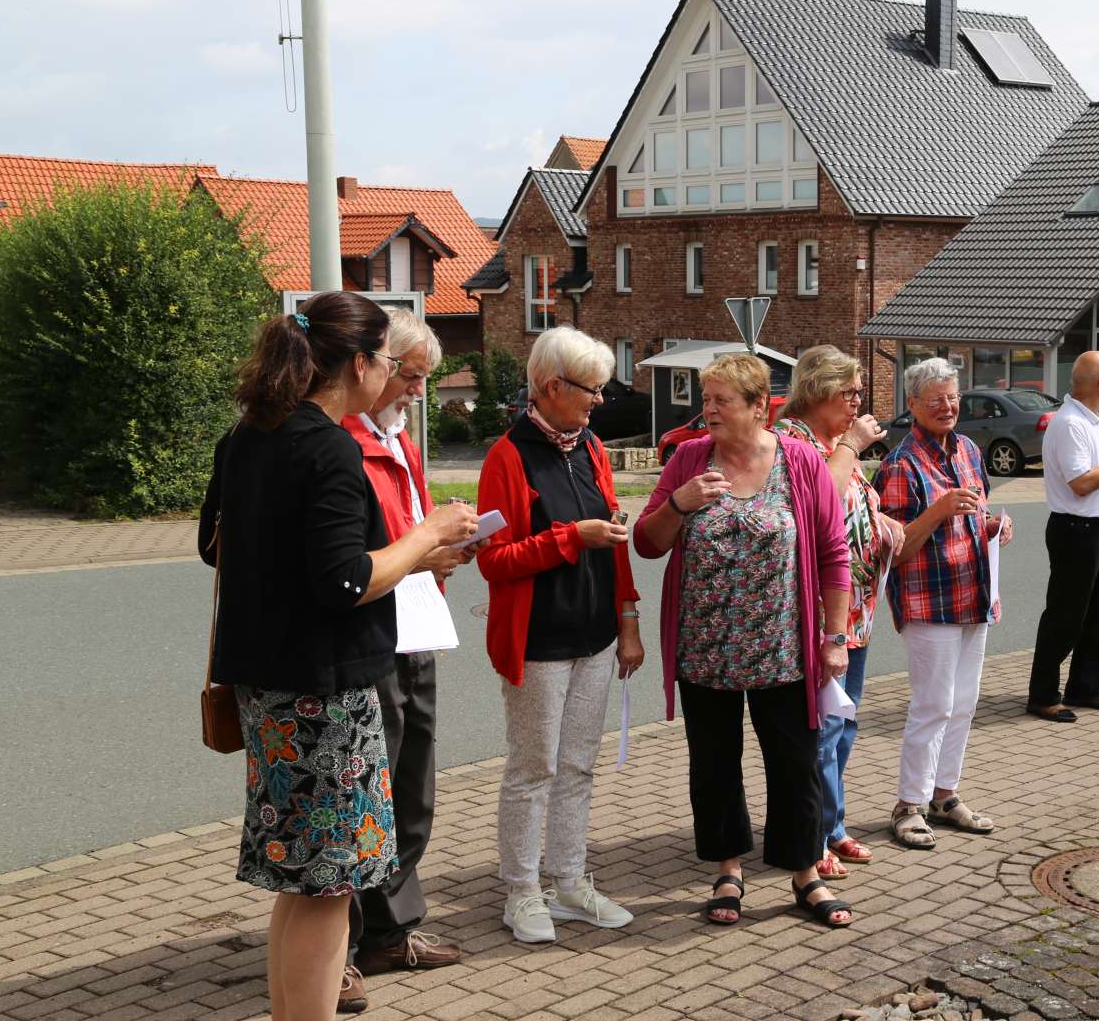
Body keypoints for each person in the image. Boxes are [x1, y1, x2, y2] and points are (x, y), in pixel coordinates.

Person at [200, 291, 478, 1021]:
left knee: (301, 884)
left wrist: (408, 559)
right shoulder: (326, 445)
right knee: (328, 890)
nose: (392, 375)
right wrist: (424, 537)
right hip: (323, 694)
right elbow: (345, 581)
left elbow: (214, 546)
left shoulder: (249, 436)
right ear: (355, 364)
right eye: (387, 361)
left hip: (265, 683)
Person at [634, 352, 855, 929]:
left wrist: (835, 637)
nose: (707, 410)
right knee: (714, 765)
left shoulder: (802, 463)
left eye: (720, 400)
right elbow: (647, 543)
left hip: (784, 649)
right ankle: (728, 870)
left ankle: (804, 873)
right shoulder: (687, 459)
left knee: (795, 763)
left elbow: (835, 555)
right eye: (704, 399)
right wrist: (680, 505)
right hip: (705, 649)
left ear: (761, 407)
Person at [477, 326, 645, 945]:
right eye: (591, 390)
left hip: (596, 636)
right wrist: (571, 538)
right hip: (538, 641)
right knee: (533, 768)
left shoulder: (591, 446)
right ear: (552, 387)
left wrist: (628, 622)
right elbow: (492, 560)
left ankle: (570, 882)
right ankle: (522, 891)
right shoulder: (508, 456)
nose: (599, 401)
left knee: (578, 765)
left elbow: (616, 543)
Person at [336, 309, 470, 1012]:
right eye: (410, 374)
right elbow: (359, 553)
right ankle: (340, 949)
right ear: (377, 365)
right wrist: (422, 542)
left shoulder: (399, 438)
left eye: (423, 377)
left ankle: (390, 929)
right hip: (369, 633)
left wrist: (441, 551)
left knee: (412, 781)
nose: (417, 389)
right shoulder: (341, 442)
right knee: (367, 793)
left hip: (417, 619)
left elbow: (408, 531)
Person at [773, 345, 903, 882]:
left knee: (842, 728)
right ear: (817, 390)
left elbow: (852, 506)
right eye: (848, 392)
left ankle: (831, 825)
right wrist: (851, 445)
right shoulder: (793, 441)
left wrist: (884, 522)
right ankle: (812, 835)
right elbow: (821, 499)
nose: (856, 402)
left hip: (857, 611)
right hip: (819, 614)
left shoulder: (830, 442)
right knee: (821, 730)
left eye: (858, 393)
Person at [877, 357, 1012, 851]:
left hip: (974, 594)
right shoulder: (900, 463)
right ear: (912, 405)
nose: (947, 406)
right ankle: (907, 805)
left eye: (952, 397)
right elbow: (893, 547)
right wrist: (937, 510)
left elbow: (975, 516)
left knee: (963, 704)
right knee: (931, 705)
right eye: (935, 399)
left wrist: (995, 527)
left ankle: (945, 795)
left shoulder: (970, 450)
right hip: (928, 601)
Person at [1027, 352, 1099, 721]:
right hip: (1078, 530)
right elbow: (1081, 483)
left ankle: (1085, 685)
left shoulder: (1092, 421)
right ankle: (1043, 694)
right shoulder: (1070, 423)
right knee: (1066, 615)